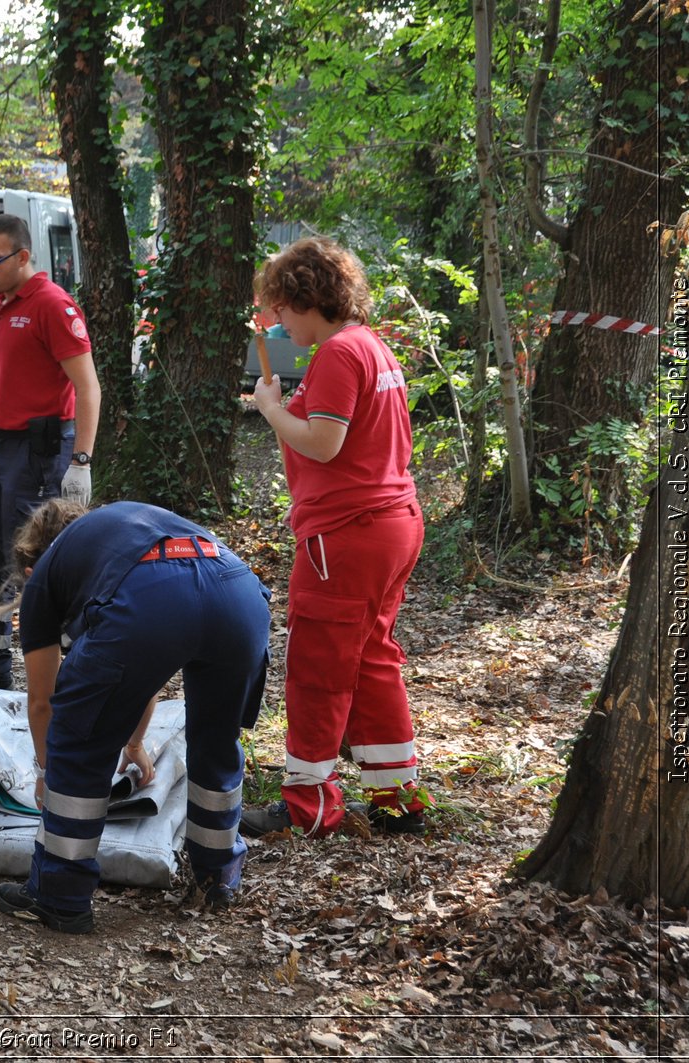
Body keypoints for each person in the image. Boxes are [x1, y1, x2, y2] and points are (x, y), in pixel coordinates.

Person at [0, 499, 270, 933]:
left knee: (77, 739)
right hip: (237, 590)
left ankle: (58, 896)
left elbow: (44, 703)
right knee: (216, 738)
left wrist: (48, 772)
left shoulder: (45, 578)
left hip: (154, 601)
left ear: (29, 572)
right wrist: (135, 743)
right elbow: (144, 667)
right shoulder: (121, 536)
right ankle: (218, 877)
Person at [239, 235, 429, 839]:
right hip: (391, 525)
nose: (274, 320)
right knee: (372, 659)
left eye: (281, 307)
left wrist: (269, 408)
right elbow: (321, 446)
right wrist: (281, 405)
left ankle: (310, 805)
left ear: (307, 297)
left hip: (348, 536)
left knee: (319, 665)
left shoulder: (339, 353)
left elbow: (323, 443)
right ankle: (397, 801)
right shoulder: (371, 347)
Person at [0, 213, 101, 690]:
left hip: (40, 451)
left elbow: (87, 387)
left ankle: (69, 676)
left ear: (23, 256)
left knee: (38, 565)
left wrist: (81, 460)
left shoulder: (52, 306)